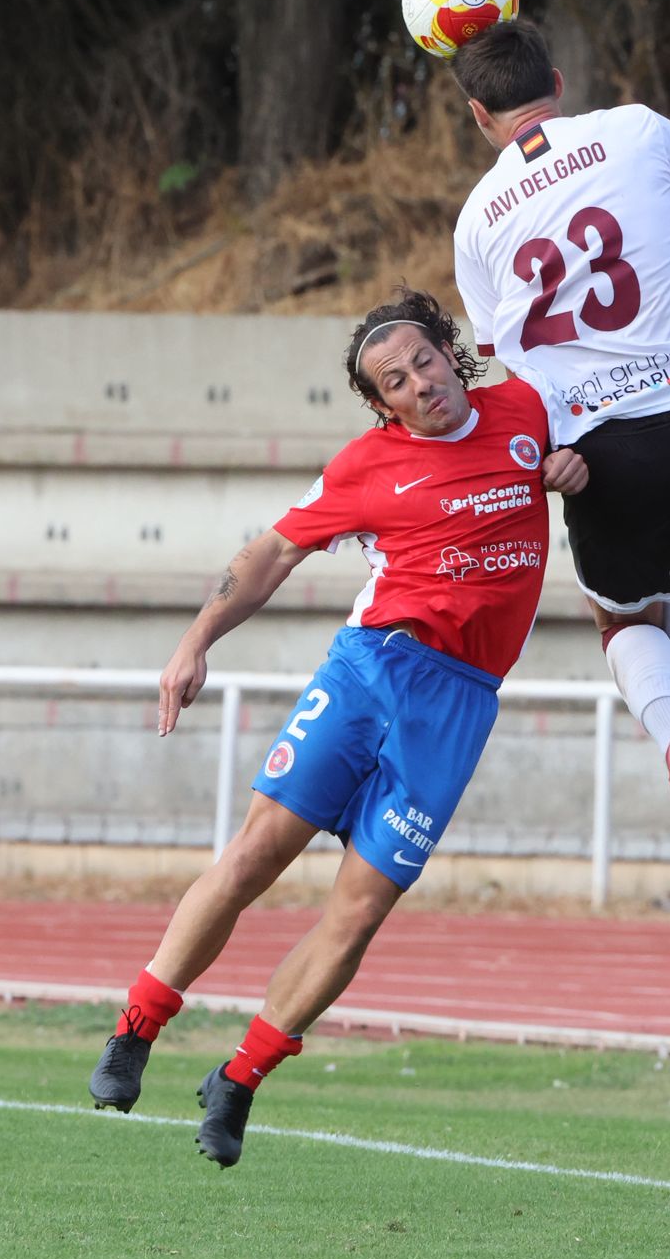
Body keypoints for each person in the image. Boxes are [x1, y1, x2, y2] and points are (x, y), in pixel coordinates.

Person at [86, 289, 587, 1167]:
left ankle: (239, 1079)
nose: (419, 383)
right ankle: (137, 1025)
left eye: (424, 361)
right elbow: (271, 553)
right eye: (394, 381)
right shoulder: (367, 466)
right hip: (369, 673)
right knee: (254, 856)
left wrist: (580, 467)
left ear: (450, 350)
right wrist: (195, 641)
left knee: (358, 913)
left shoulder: (530, 409)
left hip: (459, 704)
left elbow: (616, 441)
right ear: (380, 403)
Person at [449, 19, 670, 879]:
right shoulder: (636, 128)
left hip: (607, 457)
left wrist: (542, 460)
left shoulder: (477, 221)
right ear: (558, 79)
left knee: (622, 617)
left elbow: (508, 378)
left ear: (481, 114)